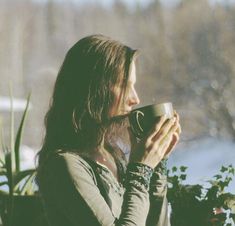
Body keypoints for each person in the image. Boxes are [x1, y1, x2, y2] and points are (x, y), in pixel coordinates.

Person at [36, 34, 181, 226]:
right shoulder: (64, 166)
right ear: (93, 90)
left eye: (133, 86)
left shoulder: (112, 154)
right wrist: (140, 172)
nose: (135, 99)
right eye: (124, 85)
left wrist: (157, 165)